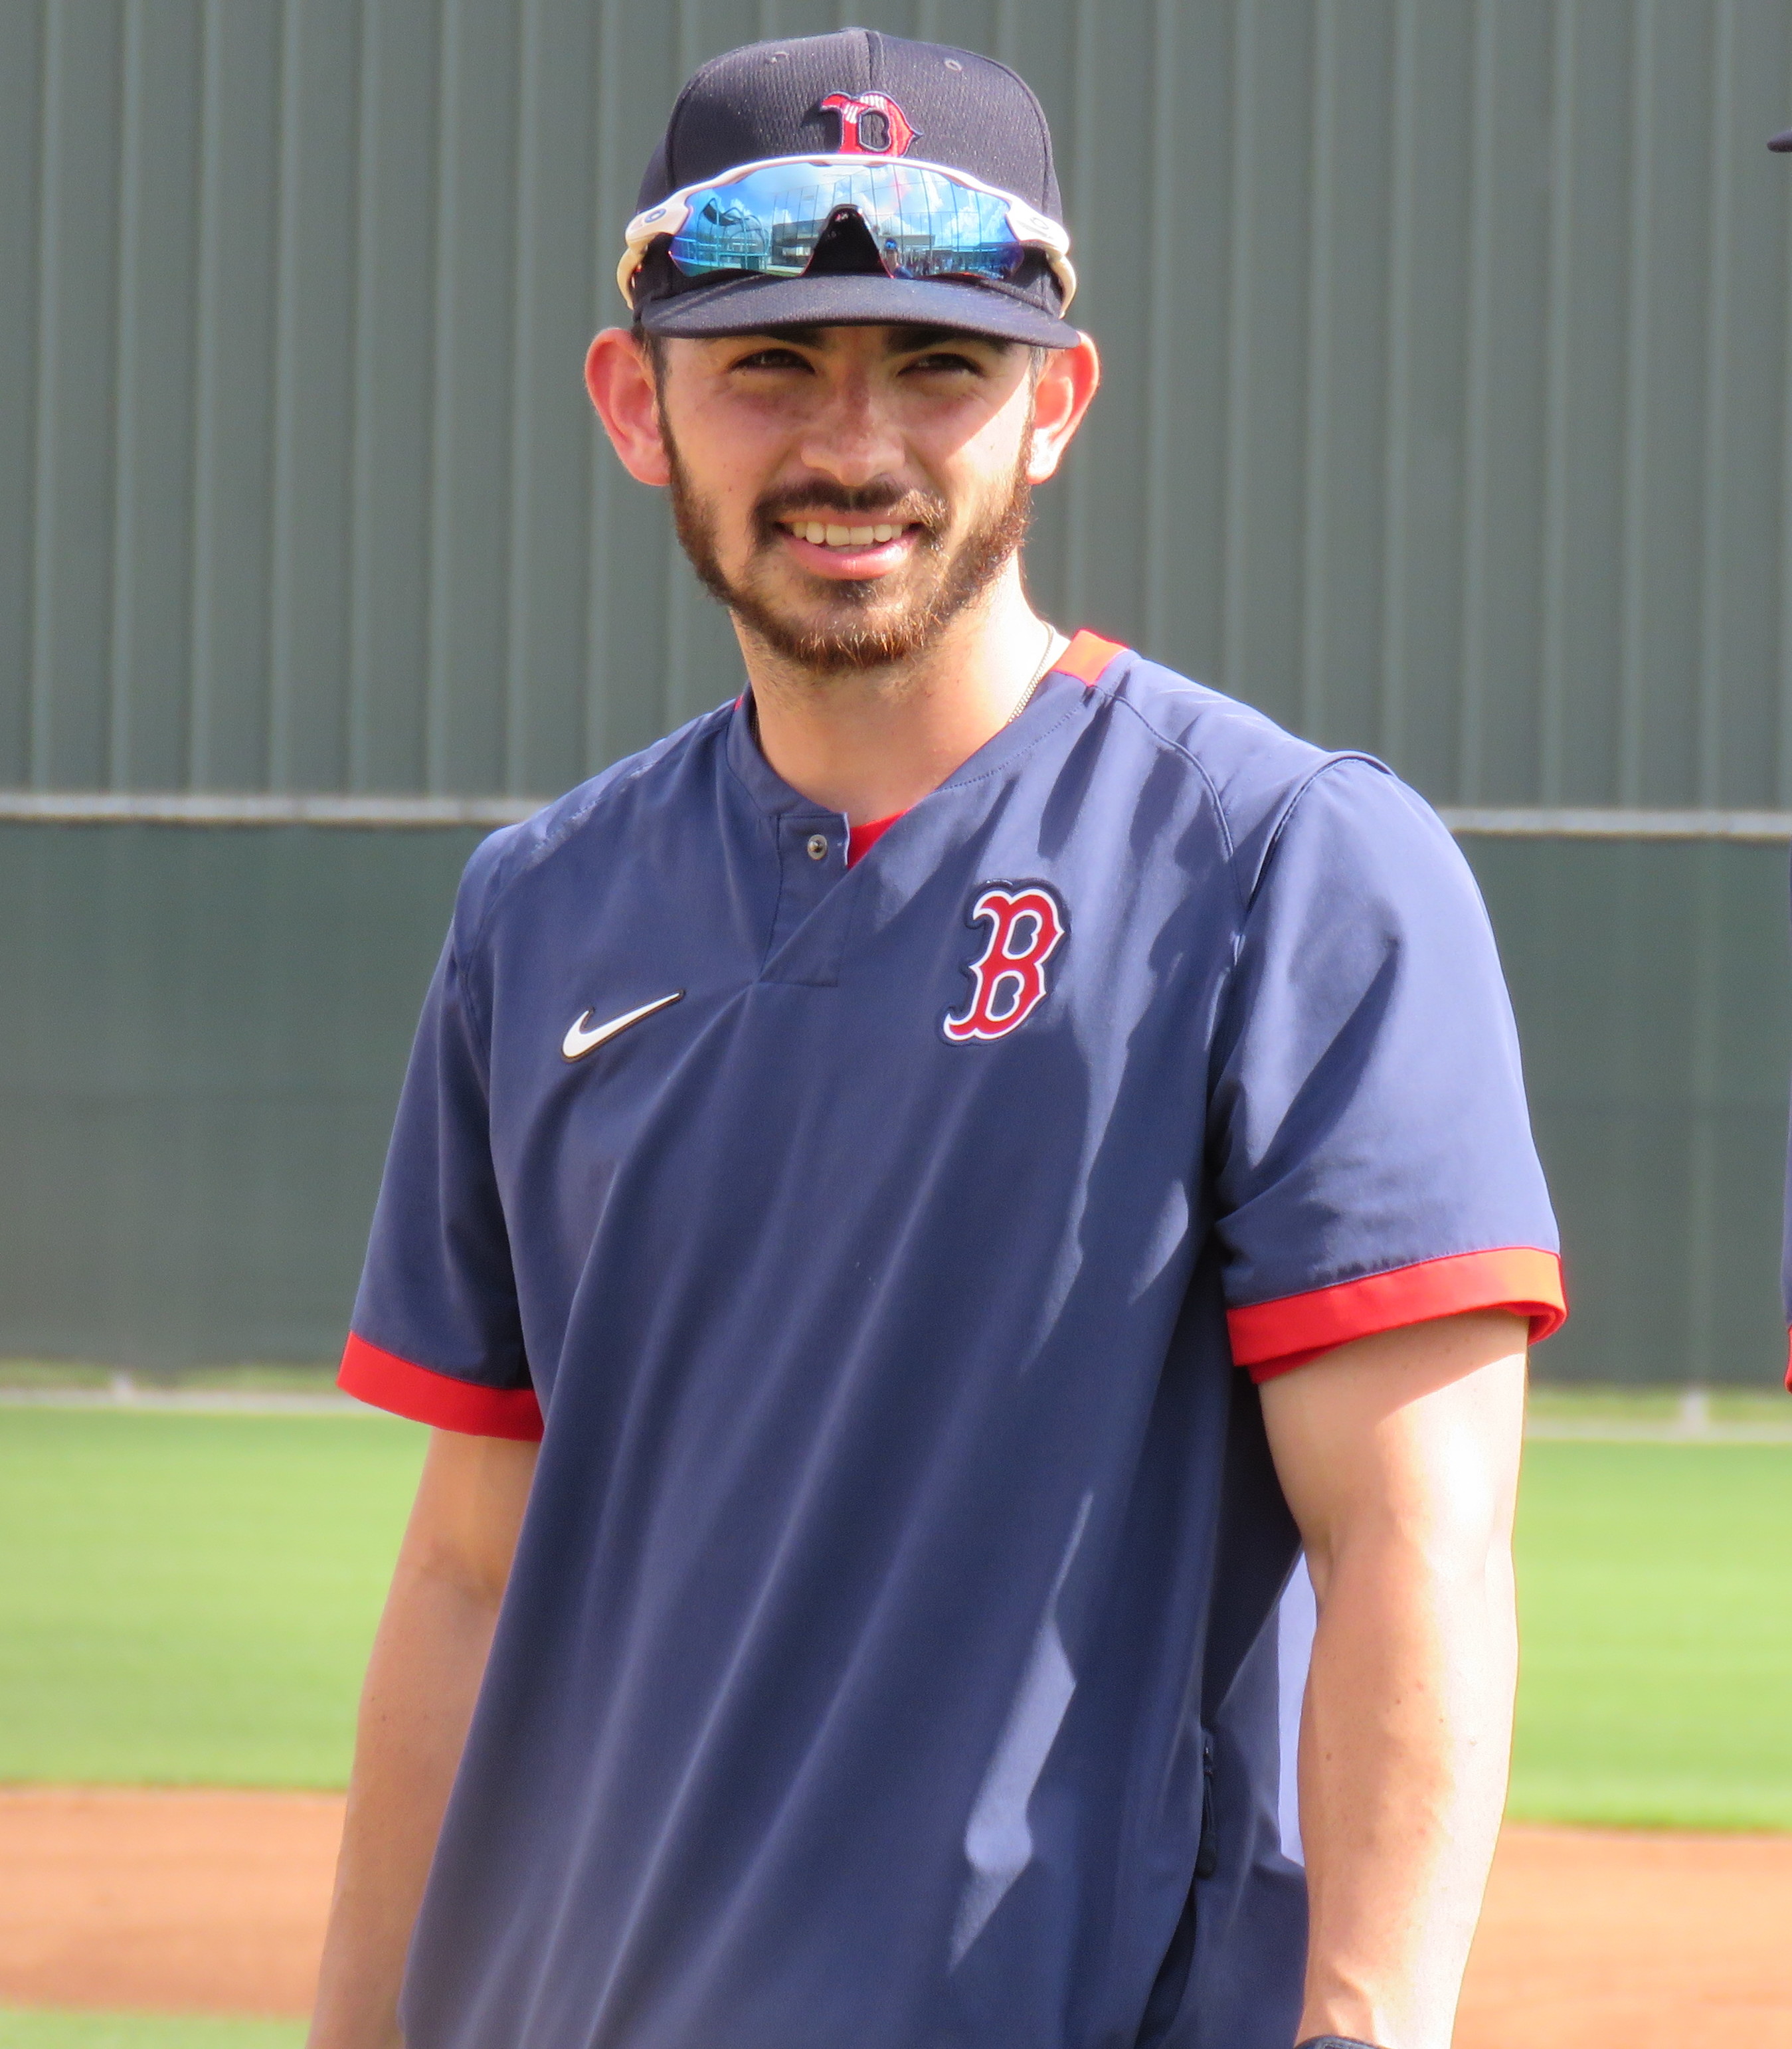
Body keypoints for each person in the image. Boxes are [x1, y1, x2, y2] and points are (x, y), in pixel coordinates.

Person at [309, 30, 1565, 2049]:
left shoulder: (1284, 864)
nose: (854, 443)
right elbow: (468, 1569)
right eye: (771, 366)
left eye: (939, 366)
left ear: (1052, 407)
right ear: (636, 404)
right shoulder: (536, 905)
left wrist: (1366, 2026)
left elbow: (1415, 1540)